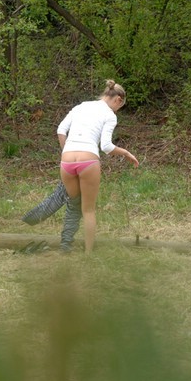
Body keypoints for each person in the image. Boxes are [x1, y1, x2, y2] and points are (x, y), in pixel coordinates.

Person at [53, 79, 139, 253]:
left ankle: (65, 246)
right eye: (119, 107)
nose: (117, 110)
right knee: (88, 210)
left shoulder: (81, 106)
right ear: (118, 100)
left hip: (67, 160)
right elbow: (106, 147)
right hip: (88, 160)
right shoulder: (109, 115)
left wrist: (67, 151)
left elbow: (61, 130)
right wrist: (125, 153)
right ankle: (88, 253)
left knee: (74, 204)